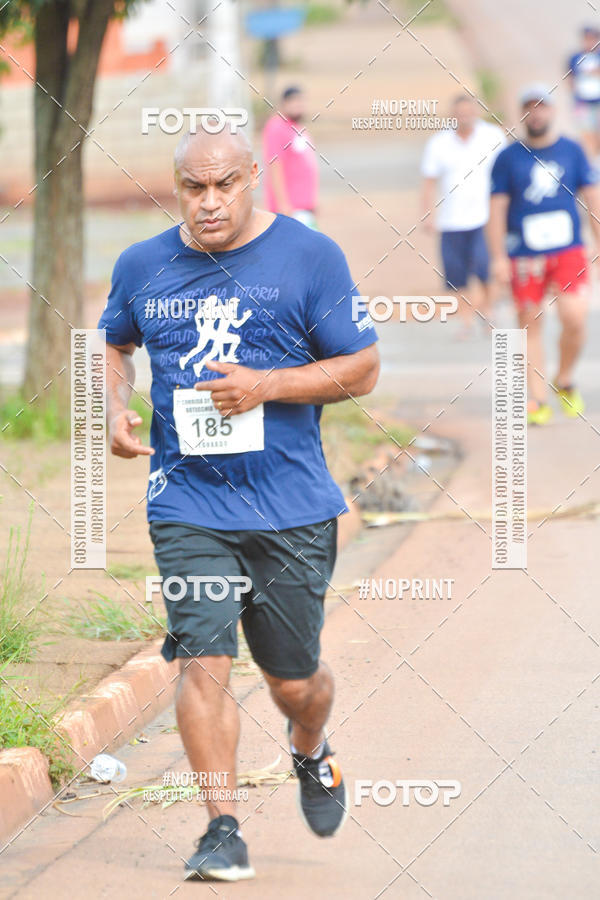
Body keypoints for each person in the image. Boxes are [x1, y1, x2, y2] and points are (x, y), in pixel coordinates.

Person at [99, 122, 379, 881]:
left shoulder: (308, 256)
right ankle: (221, 828)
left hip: (290, 503)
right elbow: (113, 342)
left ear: (253, 177)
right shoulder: (144, 264)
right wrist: (116, 407)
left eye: (225, 185)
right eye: (195, 187)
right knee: (203, 659)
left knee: (295, 680)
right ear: (178, 186)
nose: (210, 202)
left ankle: (310, 748)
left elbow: (363, 367)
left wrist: (269, 385)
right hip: (187, 500)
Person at [488, 83, 600, 425]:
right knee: (529, 324)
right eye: (529, 107)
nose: (535, 113)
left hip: (568, 250)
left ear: (552, 111)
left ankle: (564, 378)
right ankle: (537, 398)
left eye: (541, 106)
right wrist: (497, 257)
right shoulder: (508, 158)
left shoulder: (572, 151)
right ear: (522, 113)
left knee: (575, 317)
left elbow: (592, 197)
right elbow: (495, 209)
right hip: (524, 254)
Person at [420, 94, 506, 335]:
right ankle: (466, 319)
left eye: (468, 112)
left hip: (485, 217)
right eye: (459, 113)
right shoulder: (439, 143)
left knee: (485, 267)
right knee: (456, 275)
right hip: (451, 220)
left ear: (477, 113)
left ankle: (488, 311)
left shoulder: (493, 137)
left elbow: (507, 174)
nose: (464, 117)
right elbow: (428, 181)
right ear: (452, 115)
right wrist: (428, 213)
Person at [262, 85, 319, 228]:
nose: (299, 106)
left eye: (301, 102)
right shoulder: (277, 127)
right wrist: (283, 204)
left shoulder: (298, 128)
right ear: (284, 104)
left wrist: (312, 201)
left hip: (304, 207)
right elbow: (275, 164)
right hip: (290, 210)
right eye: (294, 102)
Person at [567, 25, 600, 163]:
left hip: (597, 100)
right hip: (582, 102)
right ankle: (590, 160)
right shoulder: (576, 57)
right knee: (585, 131)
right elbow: (570, 77)